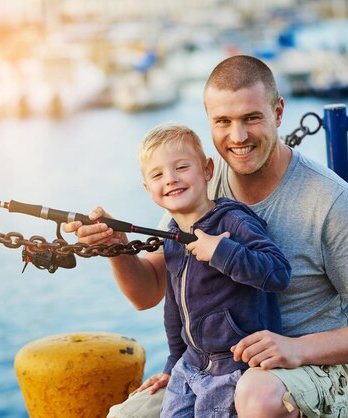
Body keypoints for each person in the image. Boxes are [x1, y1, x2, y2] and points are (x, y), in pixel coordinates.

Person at [64, 55, 348, 417]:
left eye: (252, 118)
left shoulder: (328, 199)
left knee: (257, 394)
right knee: (128, 415)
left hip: (328, 369)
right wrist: (116, 247)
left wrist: (298, 349)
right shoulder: (198, 186)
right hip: (220, 366)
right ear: (209, 123)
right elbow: (147, 292)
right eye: (223, 121)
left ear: (277, 113)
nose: (238, 136)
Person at [136, 122, 291, 417]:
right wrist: (172, 364)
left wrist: (221, 252)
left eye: (181, 167)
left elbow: (279, 273)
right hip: (190, 366)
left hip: (233, 368)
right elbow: (174, 309)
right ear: (147, 187)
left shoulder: (232, 221)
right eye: (157, 174)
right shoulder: (171, 237)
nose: (170, 179)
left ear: (207, 170)